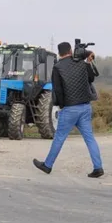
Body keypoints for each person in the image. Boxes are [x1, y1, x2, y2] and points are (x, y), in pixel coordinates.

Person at [33, 42, 104, 178]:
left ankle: (47, 165)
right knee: (89, 139)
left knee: (59, 138)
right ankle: (98, 167)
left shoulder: (57, 67)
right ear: (71, 50)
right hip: (85, 107)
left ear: (59, 53)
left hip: (70, 109)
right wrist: (88, 60)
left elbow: (58, 91)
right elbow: (91, 78)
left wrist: (61, 105)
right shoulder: (82, 64)